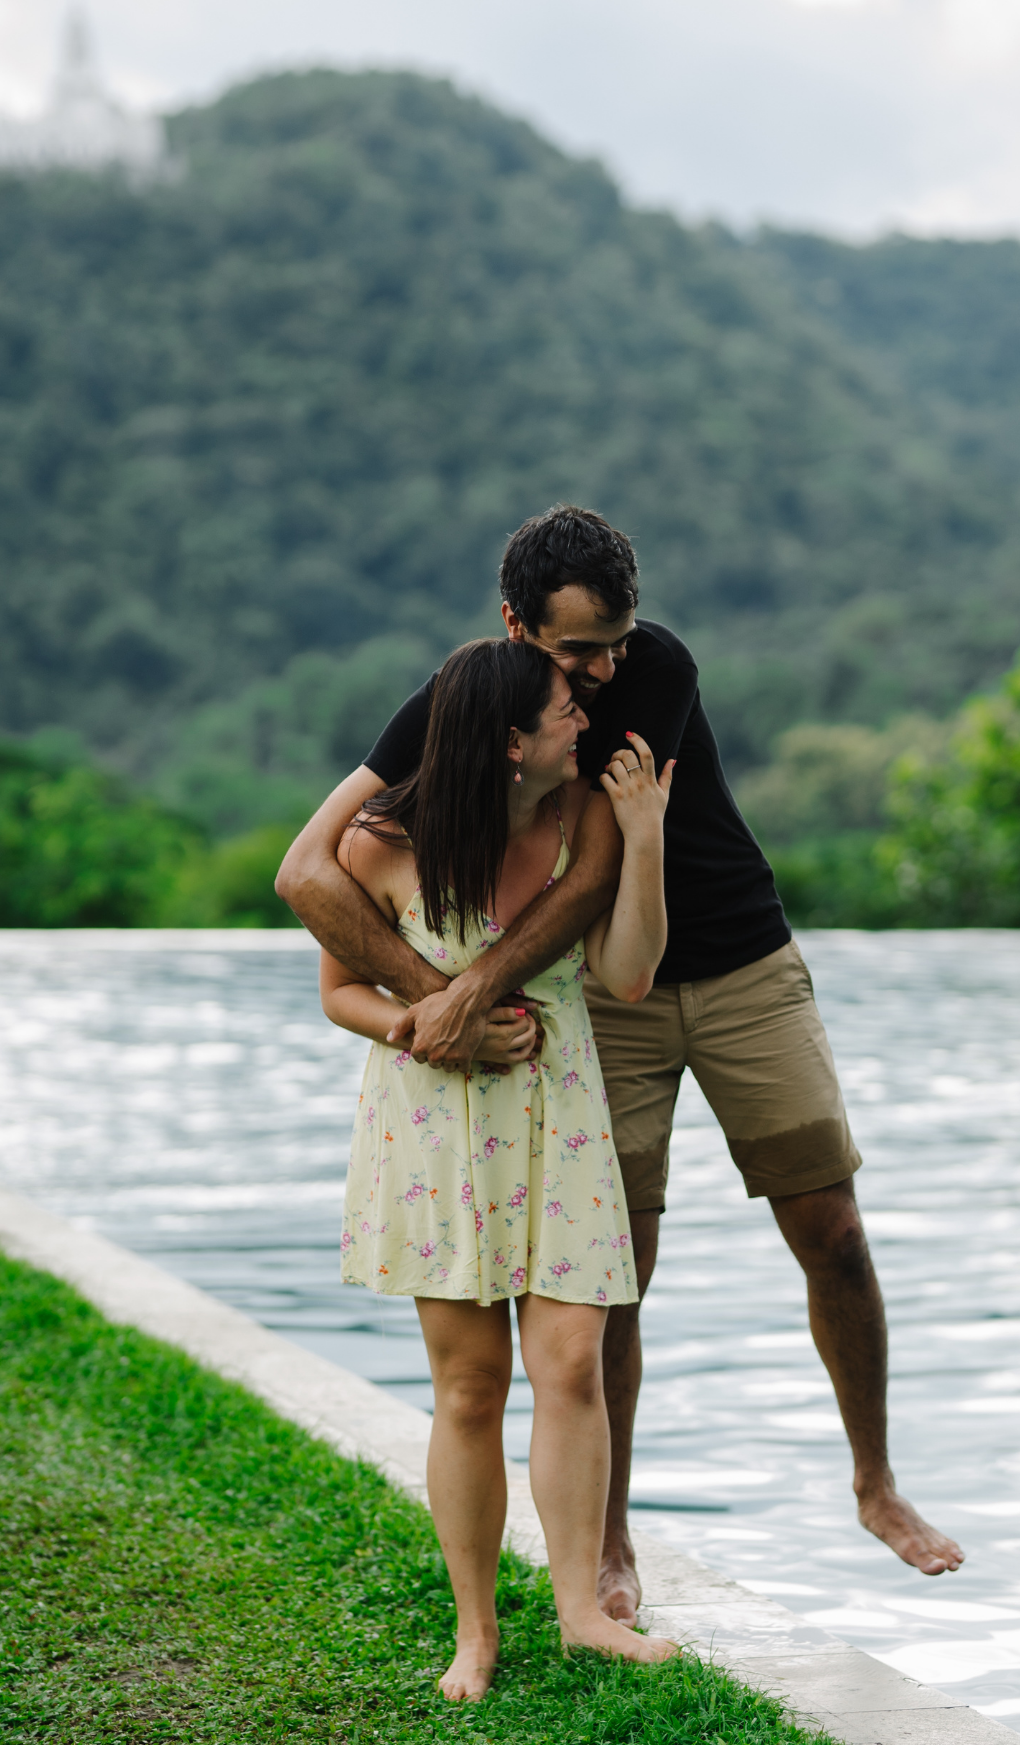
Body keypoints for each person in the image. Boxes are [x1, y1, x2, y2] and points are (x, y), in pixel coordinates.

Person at [278, 505, 964, 1628]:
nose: (602, 668)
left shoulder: (655, 670)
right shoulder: (470, 701)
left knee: (831, 1223)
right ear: (515, 626)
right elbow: (310, 869)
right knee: (610, 1271)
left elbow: (591, 872)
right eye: (575, 650)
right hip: (598, 992)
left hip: (732, 953)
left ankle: (874, 1483)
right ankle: (607, 1539)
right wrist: (429, 999)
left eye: (616, 637)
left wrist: (460, 995)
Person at [319, 636, 676, 1700]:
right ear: (512, 740)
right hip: (437, 1118)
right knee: (469, 1385)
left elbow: (624, 973)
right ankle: (474, 1631)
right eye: (569, 705)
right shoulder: (382, 845)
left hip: (559, 1110)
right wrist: (429, 1025)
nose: (588, 719)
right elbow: (340, 991)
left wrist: (647, 839)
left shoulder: (589, 817)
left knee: (570, 1362)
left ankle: (580, 1613)